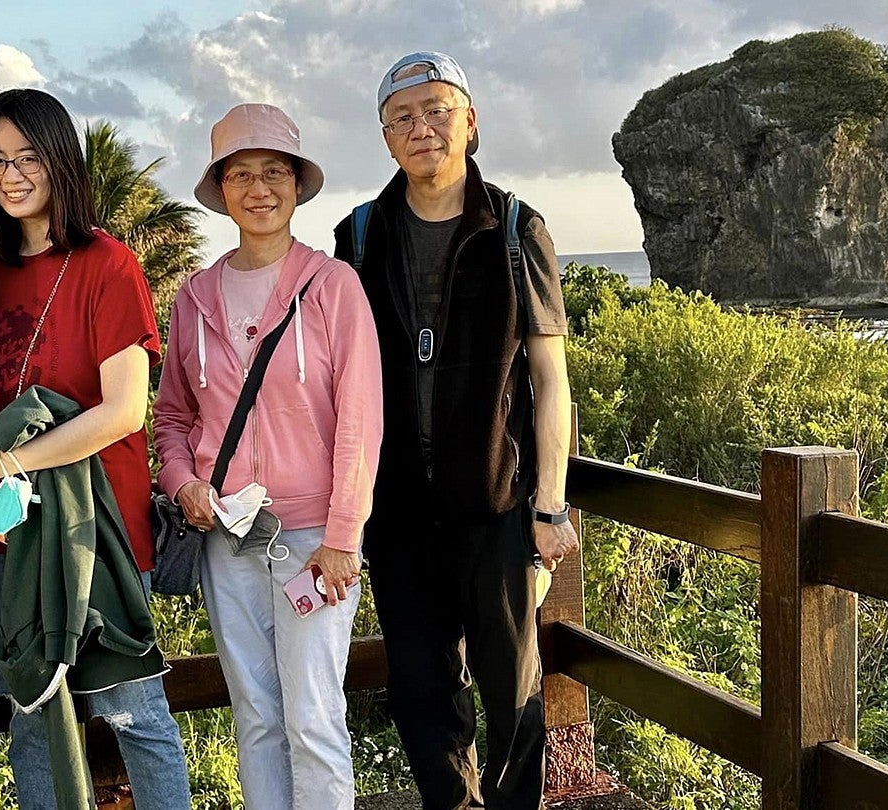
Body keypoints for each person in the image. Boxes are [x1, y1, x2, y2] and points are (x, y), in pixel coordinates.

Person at [333, 51, 580, 810]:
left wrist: (548, 503)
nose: (422, 128)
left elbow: (550, 381)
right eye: (403, 117)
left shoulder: (514, 227)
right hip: (400, 513)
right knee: (420, 695)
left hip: (498, 508)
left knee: (513, 697)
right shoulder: (361, 235)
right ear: (385, 138)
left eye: (438, 110)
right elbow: (340, 379)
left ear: (471, 122)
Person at [0, 88, 190, 809]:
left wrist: (9, 462)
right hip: (11, 538)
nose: (12, 174)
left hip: (100, 535)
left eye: (29, 156)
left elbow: (124, 412)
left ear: (62, 161)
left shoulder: (108, 264)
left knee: (136, 717)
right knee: (33, 720)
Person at [153, 102, 384, 808]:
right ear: (221, 188)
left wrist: (345, 536)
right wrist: (184, 481)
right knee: (254, 716)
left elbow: (361, 420)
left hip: (315, 541)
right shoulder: (194, 296)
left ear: (296, 184)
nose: (259, 188)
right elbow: (170, 418)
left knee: (312, 717)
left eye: (274, 171)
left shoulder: (332, 286)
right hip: (227, 536)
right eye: (242, 173)